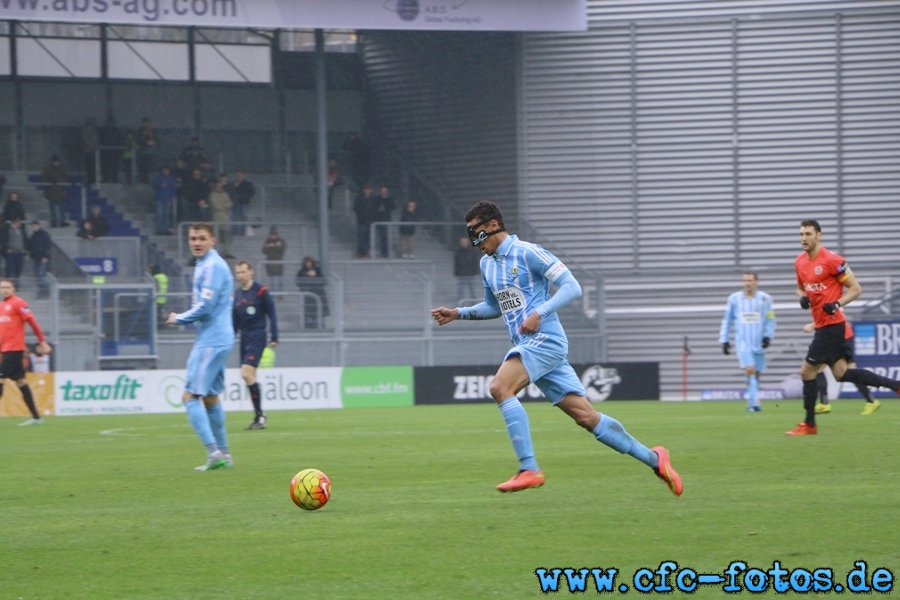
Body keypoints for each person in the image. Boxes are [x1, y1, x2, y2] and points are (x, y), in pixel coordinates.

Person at [430, 201, 682, 496]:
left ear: (493, 226)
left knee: (500, 387)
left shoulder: (527, 252)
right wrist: (458, 313)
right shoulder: (487, 264)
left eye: (477, 233)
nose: (474, 243)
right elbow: (492, 306)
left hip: (545, 340)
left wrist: (540, 313)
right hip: (528, 345)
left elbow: (572, 286)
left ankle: (529, 469)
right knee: (587, 418)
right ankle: (655, 459)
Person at [789, 219, 900, 436]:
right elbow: (800, 289)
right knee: (841, 374)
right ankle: (895, 385)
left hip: (832, 326)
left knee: (806, 371)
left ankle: (809, 424)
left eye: (808, 234)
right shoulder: (800, 262)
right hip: (823, 326)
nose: (804, 238)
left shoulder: (833, 260)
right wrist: (802, 298)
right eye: (801, 234)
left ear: (818, 235)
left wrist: (838, 303)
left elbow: (856, 289)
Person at [166, 223, 235, 471]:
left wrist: (179, 318)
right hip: (218, 336)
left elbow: (205, 306)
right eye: (193, 238)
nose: (197, 242)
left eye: (202, 238)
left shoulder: (212, 266)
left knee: (190, 396)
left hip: (212, 339)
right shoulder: (206, 265)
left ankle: (213, 453)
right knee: (211, 398)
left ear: (212, 240)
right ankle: (225, 455)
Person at [718, 271, 776, 412]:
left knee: (756, 373)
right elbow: (727, 319)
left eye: (750, 280)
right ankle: (756, 401)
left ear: (756, 281)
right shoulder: (734, 299)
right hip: (743, 341)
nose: (747, 283)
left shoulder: (765, 299)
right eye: (744, 280)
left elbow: (770, 319)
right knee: (750, 368)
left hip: (758, 341)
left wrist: (768, 336)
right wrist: (724, 339)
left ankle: (750, 403)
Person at [232, 261, 279, 430]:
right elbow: (234, 322)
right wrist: (229, 339)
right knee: (250, 376)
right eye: (238, 272)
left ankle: (260, 415)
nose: (240, 275)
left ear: (250, 272)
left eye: (243, 272)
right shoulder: (236, 295)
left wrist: (274, 335)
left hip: (257, 335)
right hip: (244, 338)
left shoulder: (260, 291)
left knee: (246, 374)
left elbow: (272, 313)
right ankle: (259, 417)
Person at [0, 279, 52, 426]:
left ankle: (36, 417)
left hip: (15, 349)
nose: (4, 290)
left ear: (13, 288)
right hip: (6, 350)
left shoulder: (19, 303)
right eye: (2, 287)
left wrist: (42, 341)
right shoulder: (1, 306)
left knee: (0, 378)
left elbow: (32, 321)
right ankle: (36, 417)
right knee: (21, 382)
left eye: (7, 287)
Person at [803, 320, 881, 415]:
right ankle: (871, 400)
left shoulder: (823, 306)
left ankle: (824, 403)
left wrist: (811, 325)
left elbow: (828, 317)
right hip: (844, 335)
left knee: (817, 369)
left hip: (838, 337)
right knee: (851, 371)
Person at [296, 257, 329, 329]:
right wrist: (306, 275)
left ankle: (320, 327)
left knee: (319, 312)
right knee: (309, 314)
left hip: (318, 294)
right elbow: (298, 282)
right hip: (307, 296)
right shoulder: (301, 271)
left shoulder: (318, 270)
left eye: (310, 262)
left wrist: (315, 276)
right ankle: (309, 327)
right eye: (307, 262)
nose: (308, 264)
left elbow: (323, 281)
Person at [40, 155, 69, 228]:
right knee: (52, 208)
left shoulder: (62, 169)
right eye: (55, 162)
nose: (57, 163)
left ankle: (62, 221)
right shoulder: (48, 170)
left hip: (60, 191)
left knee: (62, 207)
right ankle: (54, 222)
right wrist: (50, 183)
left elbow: (66, 178)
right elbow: (43, 178)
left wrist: (62, 184)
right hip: (51, 191)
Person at [208, 180, 233, 258]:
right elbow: (215, 205)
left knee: (227, 236)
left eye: (221, 186)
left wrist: (224, 206)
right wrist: (224, 206)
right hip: (216, 218)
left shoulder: (225, 194)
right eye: (218, 186)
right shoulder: (212, 195)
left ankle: (226, 252)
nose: (219, 188)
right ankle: (215, 252)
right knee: (216, 236)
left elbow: (230, 203)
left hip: (225, 218)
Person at [453, 235, 482, 305]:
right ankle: (461, 304)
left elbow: (475, 262)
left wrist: (475, 272)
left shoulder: (472, 251)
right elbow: (456, 263)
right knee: (461, 291)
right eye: (462, 242)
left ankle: (474, 304)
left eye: (465, 242)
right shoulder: (458, 252)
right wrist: (456, 274)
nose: (464, 243)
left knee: (473, 291)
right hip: (461, 275)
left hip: (471, 274)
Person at [27, 221, 52, 299]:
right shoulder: (33, 236)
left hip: (42, 258)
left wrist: (46, 256)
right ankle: (42, 292)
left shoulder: (44, 234)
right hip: (35, 258)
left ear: (38, 226)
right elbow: (30, 246)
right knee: (38, 276)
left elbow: (48, 246)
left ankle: (47, 291)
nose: (34, 227)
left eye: (35, 226)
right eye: (33, 226)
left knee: (41, 275)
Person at [0, 218, 27, 285]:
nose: (19, 224)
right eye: (17, 223)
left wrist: (25, 248)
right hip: (11, 253)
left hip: (20, 252)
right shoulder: (7, 230)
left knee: (18, 268)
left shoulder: (22, 230)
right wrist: (6, 248)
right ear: (14, 223)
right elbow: (3, 240)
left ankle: (16, 285)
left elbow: (25, 240)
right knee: (9, 269)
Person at [152, 165, 177, 234]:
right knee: (160, 214)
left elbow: (173, 189)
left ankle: (166, 229)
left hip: (168, 198)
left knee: (167, 214)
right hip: (159, 198)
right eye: (164, 170)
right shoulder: (158, 178)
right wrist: (160, 186)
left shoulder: (171, 179)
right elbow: (155, 186)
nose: (166, 172)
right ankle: (159, 229)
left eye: (167, 170)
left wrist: (172, 196)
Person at [230, 170, 255, 237]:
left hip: (244, 204)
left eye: (240, 176)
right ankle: (234, 234)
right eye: (237, 176)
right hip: (234, 204)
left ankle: (242, 233)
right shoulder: (232, 184)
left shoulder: (248, 184)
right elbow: (230, 193)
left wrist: (241, 198)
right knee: (234, 219)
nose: (238, 177)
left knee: (243, 219)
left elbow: (251, 193)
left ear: (244, 176)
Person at [261, 225, 286, 292]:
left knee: (280, 279)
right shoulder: (267, 241)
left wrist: (274, 246)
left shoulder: (281, 241)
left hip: (278, 262)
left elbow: (282, 250)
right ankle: (273, 293)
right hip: (270, 263)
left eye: (274, 234)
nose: (272, 236)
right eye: (271, 234)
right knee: (271, 280)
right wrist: (268, 246)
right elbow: (264, 251)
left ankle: (281, 293)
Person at [353, 184, 375, 258]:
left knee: (368, 237)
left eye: (368, 189)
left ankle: (367, 252)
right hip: (361, 220)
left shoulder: (373, 198)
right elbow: (356, 207)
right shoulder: (359, 198)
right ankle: (361, 252)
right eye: (366, 189)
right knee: (361, 237)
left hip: (370, 220)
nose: (367, 191)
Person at [373, 185, 395, 258]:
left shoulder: (390, 199)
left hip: (387, 220)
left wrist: (386, 207)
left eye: (385, 191)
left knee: (385, 237)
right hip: (378, 220)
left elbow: (393, 207)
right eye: (382, 191)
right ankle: (382, 252)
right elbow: (374, 208)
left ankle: (385, 252)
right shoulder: (377, 199)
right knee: (382, 237)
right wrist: (378, 210)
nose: (383, 192)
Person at [136, 117, 159, 184]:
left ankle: (146, 179)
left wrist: (153, 143)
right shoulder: (140, 131)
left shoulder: (151, 131)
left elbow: (156, 141)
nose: (146, 124)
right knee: (141, 167)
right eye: (144, 123)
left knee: (147, 167)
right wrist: (145, 144)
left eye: (147, 123)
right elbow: (138, 141)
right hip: (141, 152)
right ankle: (142, 179)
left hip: (149, 152)